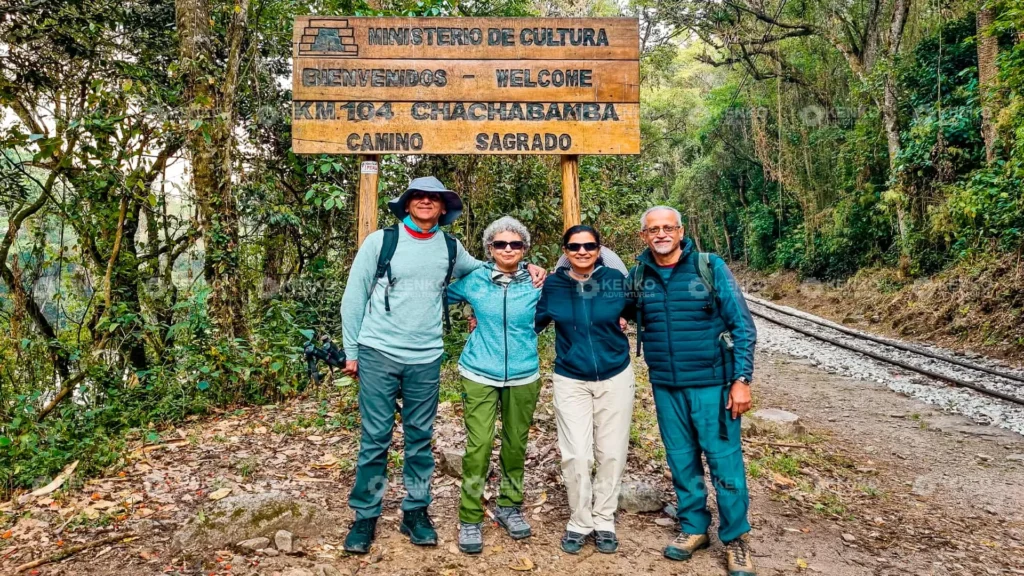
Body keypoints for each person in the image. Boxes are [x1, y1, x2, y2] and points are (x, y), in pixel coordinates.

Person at [339, 177, 545, 554]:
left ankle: (415, 512)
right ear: (406, 204)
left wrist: (530, 267)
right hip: (378, 351)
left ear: (443, 208)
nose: (425, 202)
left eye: (434, 198)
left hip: (427, 355)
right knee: (375, 440)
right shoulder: (381, 242)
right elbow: (354, 294)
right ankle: (365, 516)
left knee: (420, 440)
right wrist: (351, 349)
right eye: (417, 196)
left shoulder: (451, 248)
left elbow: (491, 267)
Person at [628, 206, 758, 576]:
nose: (661, 234)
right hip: (666, 386)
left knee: (725, 464)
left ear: (681, 231)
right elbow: (612, 308)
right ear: (644, 236)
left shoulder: (709, 266)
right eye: (653, 229)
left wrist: (742, 380)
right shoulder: (639, 275)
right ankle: (694, 527)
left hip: (713, 385)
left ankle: (736, 540)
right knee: (682, 461)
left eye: (668, 227)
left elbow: (743, 327)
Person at [534, 225, 635, 555]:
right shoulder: (553, 284)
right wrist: (479, 314)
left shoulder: (616, 282)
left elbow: (640, 313)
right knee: (576, 453)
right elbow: (530, 321)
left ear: (598, 249)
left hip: (615, 375)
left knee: (612, 452)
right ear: (565, 251)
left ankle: (604, 519)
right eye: (574, 247)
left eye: (588, 246)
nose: (582, 252)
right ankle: (580, 521)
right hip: (571, 377)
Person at [445, 216, 542, 554]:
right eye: (500, 244)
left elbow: (574, 294)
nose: (508, 249)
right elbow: (437, 293)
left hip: (524, 373)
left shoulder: (537, 282)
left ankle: (509, 506)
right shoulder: (474, 280)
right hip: (478, 371)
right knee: (480, 445)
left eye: (515, 244)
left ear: (525, 249)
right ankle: (470, 516)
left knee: (516, 444)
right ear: (489, 248)